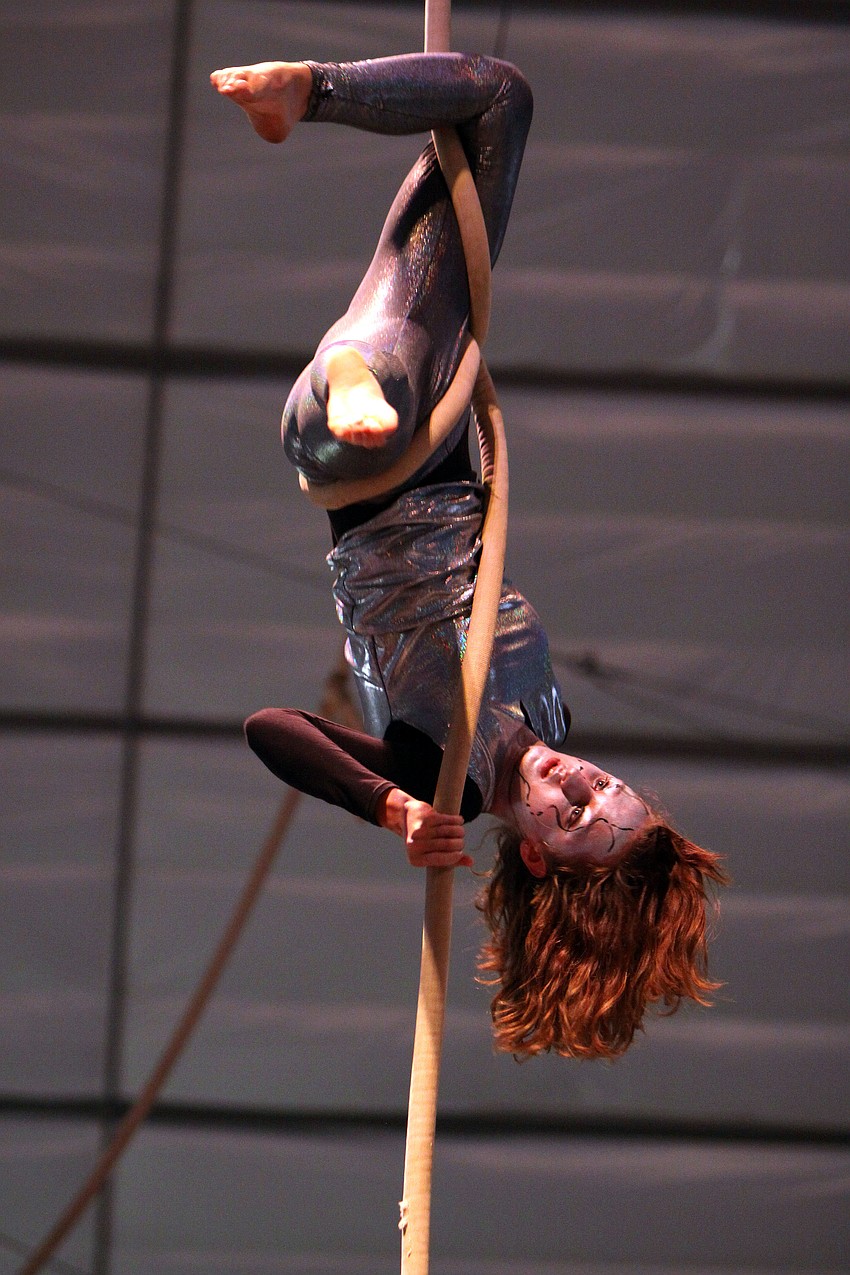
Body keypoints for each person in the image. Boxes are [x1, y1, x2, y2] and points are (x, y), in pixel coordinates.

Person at [211, 52, 727, 1061]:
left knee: (381, 370)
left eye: (577, 819)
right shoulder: (549, 713)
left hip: (354, 448)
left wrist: (394, 809)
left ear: (534, 858)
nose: (583, 785)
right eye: (611, 792)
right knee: (493, 106)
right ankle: (301, 96)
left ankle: (360, 384)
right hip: (441, 431)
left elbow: (270, 728)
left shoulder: (436, 775)